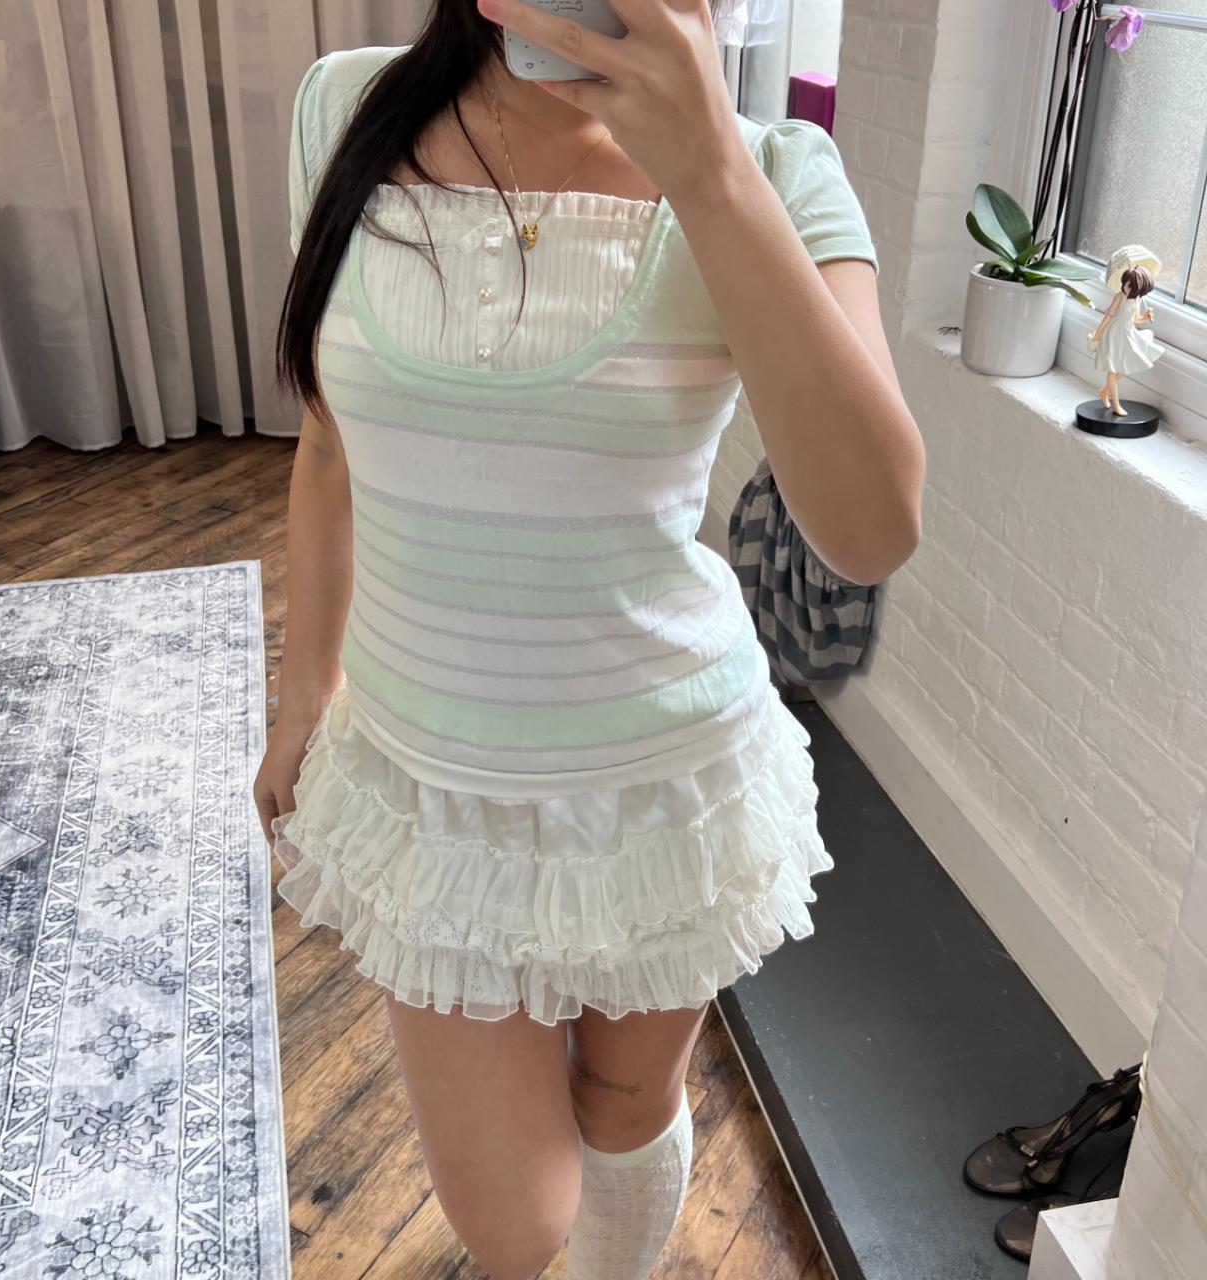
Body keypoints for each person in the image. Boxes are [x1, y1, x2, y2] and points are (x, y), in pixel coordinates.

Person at [254, 2, 925, 1277]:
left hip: (665, 790)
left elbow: (869, 526)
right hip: (429, 791)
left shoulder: (777, 172)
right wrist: (302, 694)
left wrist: (709, 173)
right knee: (513, 1221)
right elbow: (330, 443)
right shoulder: (343, 111)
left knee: (625, 1113)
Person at [1087, 244, 1166, 418]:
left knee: (1124, 367)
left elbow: (1135, 319)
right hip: (1115, 333)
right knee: (1113, 368)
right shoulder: (1119, 297)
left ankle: (1104, 391)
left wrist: (1145, 317)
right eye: (1125, 284)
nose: (1125, 287)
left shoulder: (1137, 300)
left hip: (1128, 333)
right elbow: (1108, 317)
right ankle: (1115, 403)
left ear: (1139, 288)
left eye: (1130, 286)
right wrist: (1098, 334)